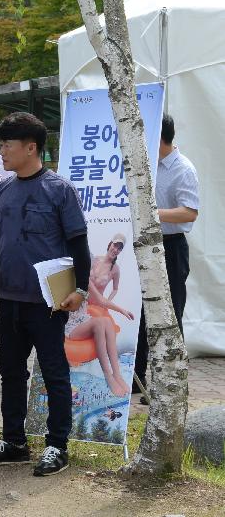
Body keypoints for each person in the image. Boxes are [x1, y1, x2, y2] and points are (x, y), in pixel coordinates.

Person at [0, 112, 90, 477]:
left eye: (8, 144)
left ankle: (57, 445)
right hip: (9, 300)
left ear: (31, 147)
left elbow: (79, 245)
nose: (2, 151)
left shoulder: (60, 190)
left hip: (48, 304)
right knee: (10, 370)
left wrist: (79, 289)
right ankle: (14, 442)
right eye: (1, 143)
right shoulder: (3, 189)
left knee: (54, 373)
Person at [133, 114, 199, 402]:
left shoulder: (183, 169)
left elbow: (189, 212)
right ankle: (135, 379)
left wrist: (150, 212)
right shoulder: (144, 165)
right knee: (138, 314)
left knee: (169, 316)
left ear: (158, 137)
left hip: (170, 248)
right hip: (141, 246)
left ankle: (168, 384)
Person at [65, 234, 135, 397]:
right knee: (99, 323)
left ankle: (116, 374)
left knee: (105, 322)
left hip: (83, 319)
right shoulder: (64, 278)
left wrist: (121, 310)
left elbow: (100, 300)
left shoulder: (86, 281)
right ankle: (108, 377)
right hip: (69, 326)